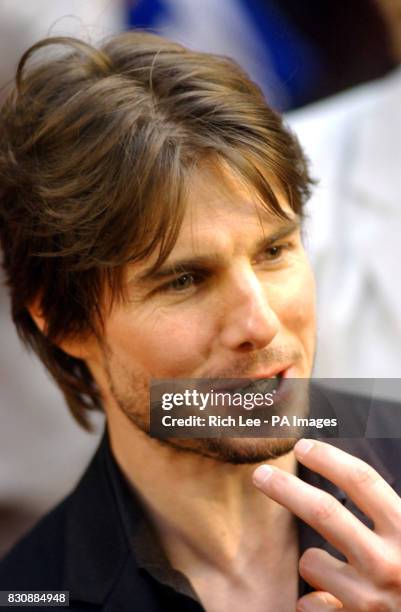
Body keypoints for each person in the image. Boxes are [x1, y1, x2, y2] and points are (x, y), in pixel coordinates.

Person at [0, 31, 401, 611]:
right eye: (184, 280)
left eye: (274, 251)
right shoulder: (33, 592)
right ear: (63, 322)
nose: (259, 323)